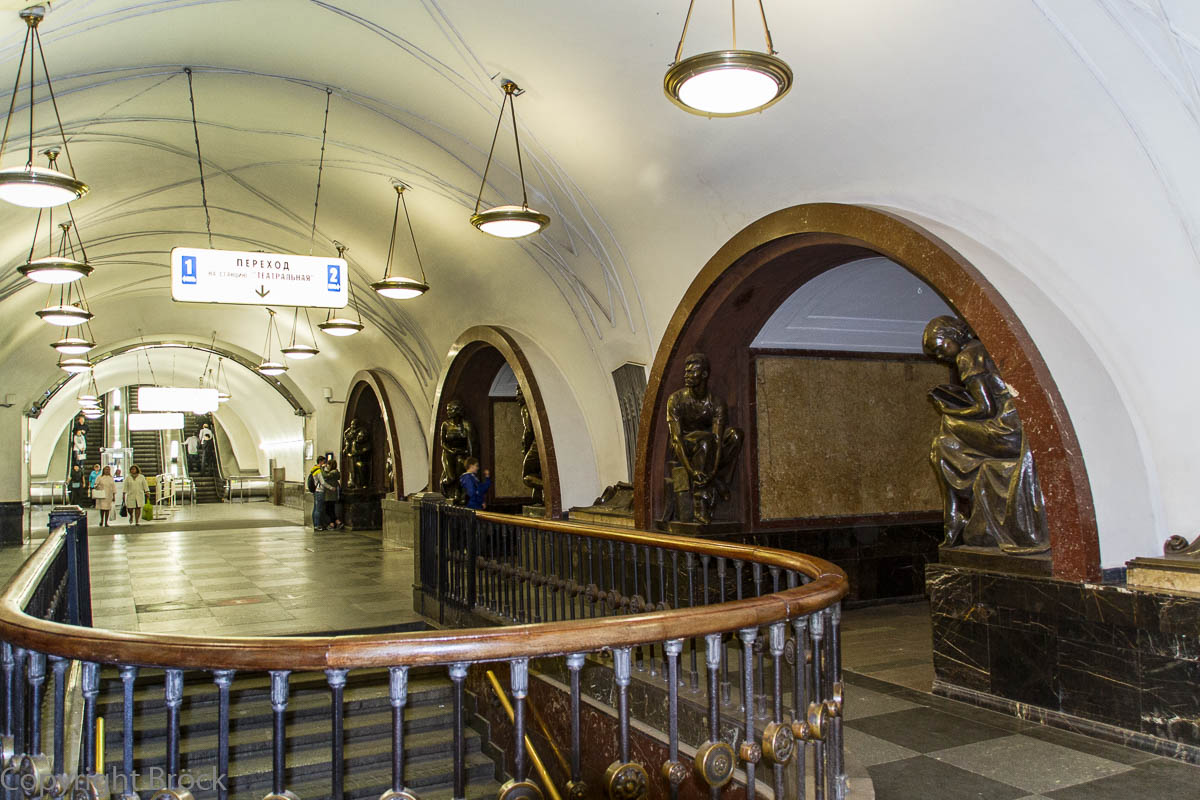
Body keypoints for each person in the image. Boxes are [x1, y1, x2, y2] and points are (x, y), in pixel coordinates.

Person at [922, 315, 1049, 554]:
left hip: (1007, 430)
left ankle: (953, 516)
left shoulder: (967, 356)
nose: (941, 356)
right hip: (1015, 425)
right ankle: (955, 514)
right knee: (942, 445)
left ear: (953, 334)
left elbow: (985, 408)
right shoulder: (982, 348)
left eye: (941, 347)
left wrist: (948, 409)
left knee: (944, 437)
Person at [664, 352, 743, 525]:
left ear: (704, 374)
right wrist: (691, 471)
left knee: (735, 435)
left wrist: (712, 472)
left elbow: (717, 439)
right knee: (705, 440)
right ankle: (700, 502)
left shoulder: (716, 403)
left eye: (692, 372)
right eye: (686, 372)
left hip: (708, 446)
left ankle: (719, 480)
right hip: (683, 446)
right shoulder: (676, 399)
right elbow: (676, 438)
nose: (687, 376)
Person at [322, 458, 344, 529]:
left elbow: (325, 476)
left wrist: (321, 469)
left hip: (330, 494)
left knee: (329, 509)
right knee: (330, 509)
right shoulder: (335, 472)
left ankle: (337, 522)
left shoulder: (333, 472)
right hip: (331, 494)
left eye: (328, 465)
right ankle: (333, 523)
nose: (327, 466)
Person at [309, 455, 328, 530]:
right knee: (318, 509)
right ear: (320, 461)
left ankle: (315, 524)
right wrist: (331, 487)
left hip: (315, 490)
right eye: (324, 462)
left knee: (315, 508)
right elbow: (322, 482)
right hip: (319, 491)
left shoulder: (314, 469)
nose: (324, 463)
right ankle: (317, 525)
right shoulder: (318, 470)